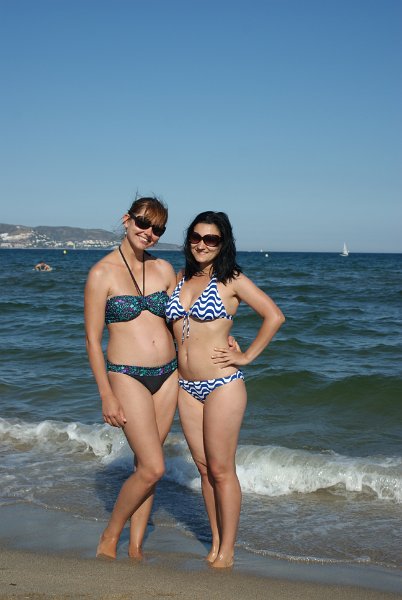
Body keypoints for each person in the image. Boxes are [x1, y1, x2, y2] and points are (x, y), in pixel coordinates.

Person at [166, 211, 285, 569]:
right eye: (196, 237)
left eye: (211, 239)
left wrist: (246, 356)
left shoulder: (231, 279)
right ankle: (215, 542)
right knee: (204, 469)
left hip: (222, 384)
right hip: (185, 385)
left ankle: (228, 551)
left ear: (223, 243)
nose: (202, 244)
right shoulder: (179, 278)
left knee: (221, 469)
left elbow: (274, 315)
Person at [84, 196, 178, 560]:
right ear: (127, 219)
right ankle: (111, 535)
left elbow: (183, 323)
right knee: (154, 466)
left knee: (146, 466)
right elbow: (92, 340)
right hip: (126, 376)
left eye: (158, 229)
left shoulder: (165, 269)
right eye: (143, 223)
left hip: (168, 375)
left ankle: (136, 547)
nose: (149, 232)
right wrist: (106, 394)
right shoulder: (102, 273)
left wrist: (223, 340)